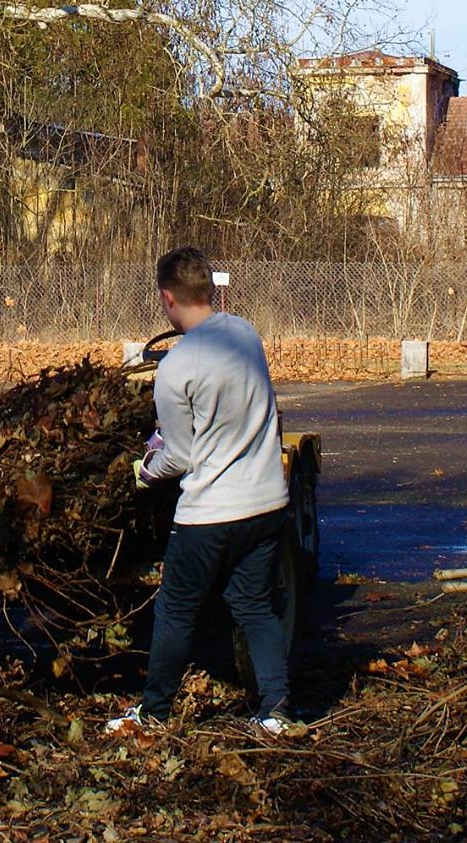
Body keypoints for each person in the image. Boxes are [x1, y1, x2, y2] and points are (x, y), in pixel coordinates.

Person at [107, 247, 299, 738]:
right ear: (208, 289)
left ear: (167, 298)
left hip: (210, 513)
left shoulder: (175, 369)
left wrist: (142, 471)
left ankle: (154, 713)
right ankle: (276, 711)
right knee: (254, 606)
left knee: (175, 610)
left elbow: (179, 456)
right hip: (266, 502)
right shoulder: (246, 335)